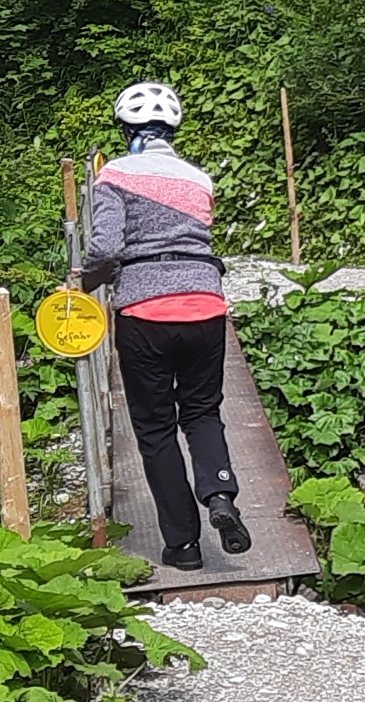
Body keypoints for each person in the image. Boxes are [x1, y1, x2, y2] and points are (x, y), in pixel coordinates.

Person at [82, 81, 252, 571]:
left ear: (125, 128)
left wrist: (85, 284)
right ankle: (219, 493)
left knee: (156, 428)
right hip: (206, 304)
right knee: (202, 412)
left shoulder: (114, 174)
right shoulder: (199, 178)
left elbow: (107, 248)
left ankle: (184, 545)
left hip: (145, 310)